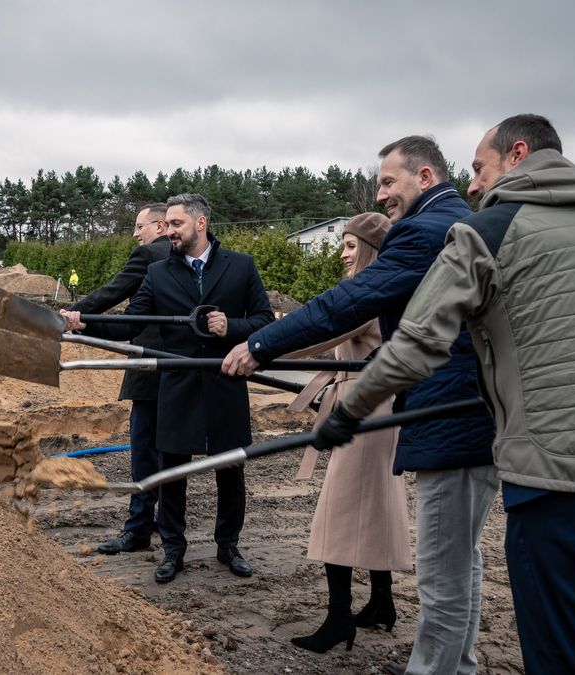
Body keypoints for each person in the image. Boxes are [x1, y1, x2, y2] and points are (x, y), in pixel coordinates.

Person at [317, 114, 575, 675]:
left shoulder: (488, 230)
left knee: (553, 650)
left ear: (518, 154)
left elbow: (418, 343)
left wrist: (348, 408)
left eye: (478, 167)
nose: (470, 185)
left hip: (553, 468)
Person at [223, 136, 496, 674]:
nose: (382, 194)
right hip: (466, 413)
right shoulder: (465, 224)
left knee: (443, 569)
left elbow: (344, 309)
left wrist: (259, 345)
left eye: (389, 182)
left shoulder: (426, 231)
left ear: (424, 176)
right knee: (461, 560)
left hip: (438, 413)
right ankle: (442, 656)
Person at [65, 193, 274, 583]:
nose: (170, 232)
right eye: (168, 224)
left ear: (200, 223)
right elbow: (131, 324)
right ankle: (173, 550)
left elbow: (264, 318)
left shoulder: (241, 267)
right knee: (171, 470)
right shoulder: (159, 272)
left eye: (177, 224)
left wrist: (233, 327)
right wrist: (85, 322)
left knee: (230, 469)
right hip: (176, 386)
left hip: (224, 383)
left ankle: (228, 545)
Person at [282, 212, 412, 654]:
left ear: (372, 250)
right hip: (374, 406)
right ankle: (381, 601)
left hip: (363, 410)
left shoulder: (371, 293)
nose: (343, 253)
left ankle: (339, 618)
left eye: (352, 245)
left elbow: (314, 336)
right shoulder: (385, 291)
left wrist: (256, 348)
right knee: (376, 504)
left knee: (338, 511)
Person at [60, 203, 172, 554]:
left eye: (140, 226)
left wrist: (75, 316)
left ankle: (139, 526)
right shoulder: (198, 257)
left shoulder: (150, 255)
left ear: (161, 225)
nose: (136, 234)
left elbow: (114, 292)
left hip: (150, 366)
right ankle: (167, 526)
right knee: (173, 453)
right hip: (185, 366)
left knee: (144, 450)